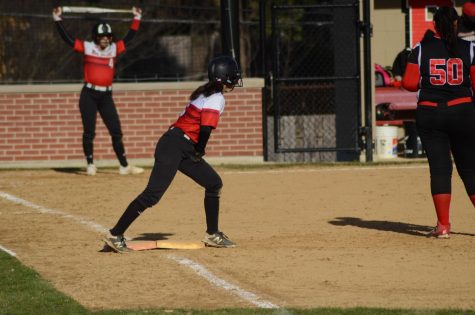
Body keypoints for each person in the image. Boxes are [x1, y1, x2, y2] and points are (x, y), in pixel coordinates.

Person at [103, 55, 243, 253]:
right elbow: (205, 128)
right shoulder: (216, 97)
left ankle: (213, 234)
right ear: (225, 77)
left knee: (213, 183)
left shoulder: (204, 92)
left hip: (180, 144)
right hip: (174, 145)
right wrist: (200, 149)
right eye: (233, 77)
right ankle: (115, 234)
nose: (236, 80)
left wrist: (195, 150)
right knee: (152, 195)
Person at [402, 6, 475, 238]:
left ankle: (443, 225)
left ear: (434, 24)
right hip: (463, 111)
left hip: (430, 113)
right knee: (470, 170)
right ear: (456, 23)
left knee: (440, 170)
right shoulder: (469, 48)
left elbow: (410, 83)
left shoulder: (421, 49)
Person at [52, 7, 144, 176]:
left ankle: (124, 166)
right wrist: (58, 19)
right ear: (96, 37)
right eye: (101, 37)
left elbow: (129, 38)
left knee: (116, 130)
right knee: (89, 131)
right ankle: (90, 164)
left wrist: (137, 18)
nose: (105, 39)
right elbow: (68, 39)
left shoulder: (114, 49)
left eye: (108, 36)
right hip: (89, 94)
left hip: (106, 96)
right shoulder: (87, 47)